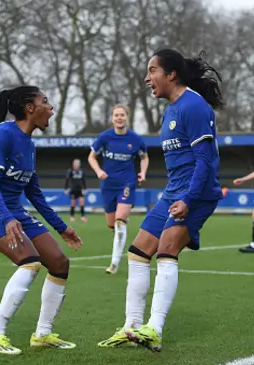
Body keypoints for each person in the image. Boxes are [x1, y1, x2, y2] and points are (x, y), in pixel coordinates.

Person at [97, 49, 224, 351]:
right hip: (173, 191)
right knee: (139, 251)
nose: (147, 78)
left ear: (171, 75)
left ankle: (154, 328)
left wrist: (190, 200)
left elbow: (204, 161)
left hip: (197, 192)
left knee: (166, 250)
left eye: (152, 70)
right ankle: (131, 327)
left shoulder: (193, 106)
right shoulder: (170, 108)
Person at [0, 86, 83, 355]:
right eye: (46, 101)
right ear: (30, 108)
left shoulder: (29, 144)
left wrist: (63, 228)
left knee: (59, 262)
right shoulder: (3, 134)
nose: (52, 107)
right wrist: (7, 218)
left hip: (12, 210)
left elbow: (34, 194)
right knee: (31, 262)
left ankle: (43, 334)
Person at [88, 104, 149, 275]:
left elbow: (144, 157)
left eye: (122, 115)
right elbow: (91, 157)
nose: (119, 118)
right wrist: (99, 171)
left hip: (127, 183)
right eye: (116, 115)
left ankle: (114, 263)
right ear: (112, 118)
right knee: (112, 224)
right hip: (108, 185)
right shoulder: (104, 137)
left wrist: (142, 172)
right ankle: (120, 227)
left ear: (127, 117)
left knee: (120, 220)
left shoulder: (135, 139)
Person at [64, 158, 88, 222]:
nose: (76, 164)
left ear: (79, 164)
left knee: (82, 203)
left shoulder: (81, 171)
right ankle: (72, 217)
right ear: (73, 164)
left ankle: (83, 216)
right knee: (73, 204)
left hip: (80, 189)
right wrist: (65, 188)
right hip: (73, 189)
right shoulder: (70, 171)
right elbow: (67, 180)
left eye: (78, 163)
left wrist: (85, 188)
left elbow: (83, 180)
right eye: (75, 163)